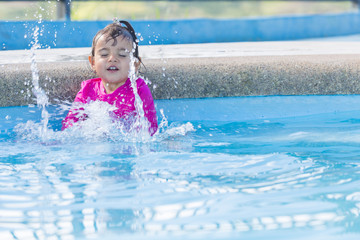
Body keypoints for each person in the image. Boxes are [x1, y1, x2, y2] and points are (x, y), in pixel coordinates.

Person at [62, 20, 158, 135]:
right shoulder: (87, 89)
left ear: (134, 64)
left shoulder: (139, 89)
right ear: (92, 62)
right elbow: (69, 127)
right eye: (104, 55)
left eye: (122, 55)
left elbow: (150, 130)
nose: (112, 59)